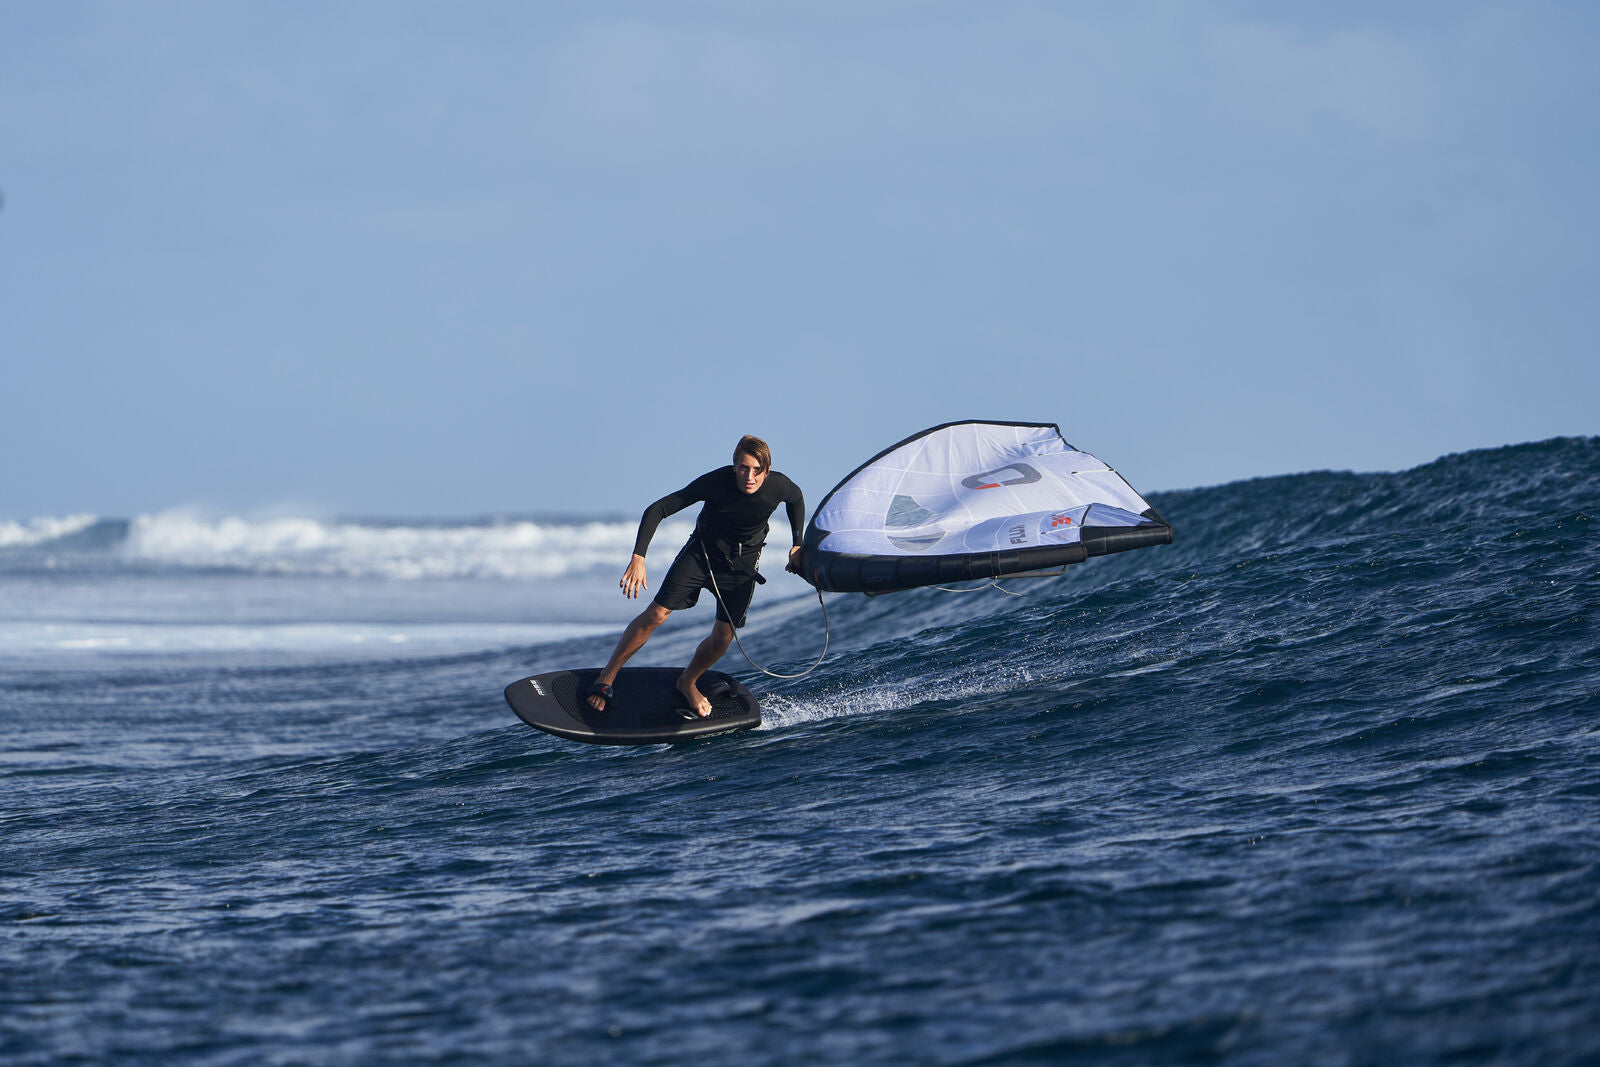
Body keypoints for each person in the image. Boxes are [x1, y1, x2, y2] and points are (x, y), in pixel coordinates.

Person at [586, 434, 805, 718]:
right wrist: (638, 556)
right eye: (742, 468)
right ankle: (607, 678)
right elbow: (658, 509)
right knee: (656, 615)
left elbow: (796, 499)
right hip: (701, 555)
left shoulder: (779, 485)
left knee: (723, 637)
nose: (748, 476)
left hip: (741, 566)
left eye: (756, 470)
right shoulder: (716, 482)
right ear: (734, 464)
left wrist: (797, 543)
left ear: (767, 470)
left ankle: (688, 681)